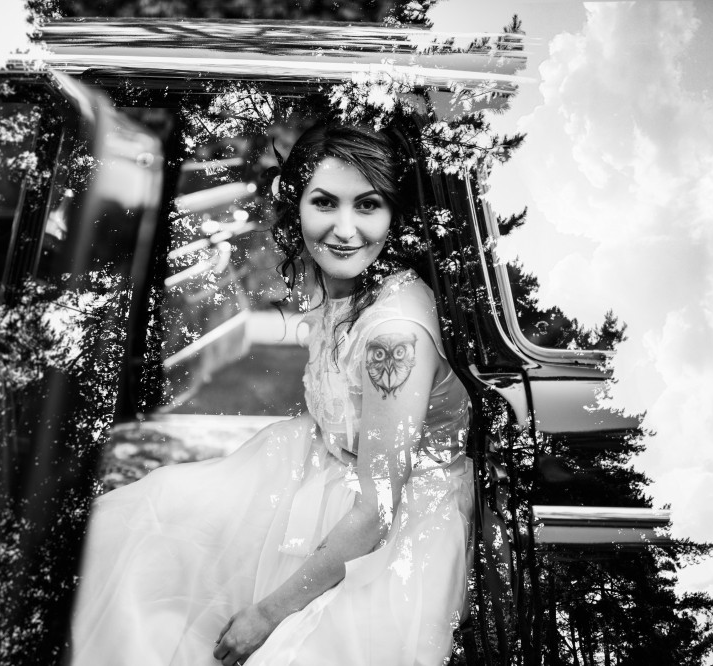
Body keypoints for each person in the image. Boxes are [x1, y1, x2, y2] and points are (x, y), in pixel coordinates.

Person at [70, 122, 474, 666]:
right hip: (322, 473)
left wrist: (267, 614)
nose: (345, 229)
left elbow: (377, 511)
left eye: (368, 205)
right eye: (324, 202)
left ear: (393, 214)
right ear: (296, 205)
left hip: (391, 529)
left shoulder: (394, 338)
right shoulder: (349, 284)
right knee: (139, 532)